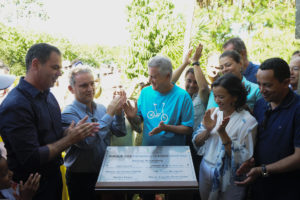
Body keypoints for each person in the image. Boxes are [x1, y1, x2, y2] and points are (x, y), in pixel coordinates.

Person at [0, 43, 99, 200]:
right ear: (36, 64)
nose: (60, 73)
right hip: (31, 190)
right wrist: (70, 139)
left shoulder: (48, 95)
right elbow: (31, 157)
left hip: (53, 182)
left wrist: (69, 132)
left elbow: (51, 134)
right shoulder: (16, 104)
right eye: (55, 67)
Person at [235, 58, 300, 200]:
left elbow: (298, 157)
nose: (262, 90)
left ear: (286, 83)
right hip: (259, 188)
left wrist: (263, 170)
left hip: (287, 190)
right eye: (259, 84)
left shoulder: (297, 109)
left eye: (268, 85)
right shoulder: (260, 104)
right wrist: (252, 162)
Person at [61, 65, 127, 200]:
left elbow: (120, 131)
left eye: (92, 84)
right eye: (84, 85)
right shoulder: (69, 114)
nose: (90, 89)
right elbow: (88, 143)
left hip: (106, 174)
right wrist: (109, 114)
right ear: (71, 89)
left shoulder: (101, 108)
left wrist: (119, 112)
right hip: (81, 178)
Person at [192, 73, 257, 200]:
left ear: (235, 97)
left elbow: (243, 157)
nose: (216, 101)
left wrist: (222, 133)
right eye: (215, 96)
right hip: (206, 169)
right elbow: (197, 142)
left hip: (231, 178)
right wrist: (208, 130)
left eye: (221, 97)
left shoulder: (248, 121)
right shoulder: (213, 113)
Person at [124, 55, 194, 146]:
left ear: (167, 76)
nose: (149, 80)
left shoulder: (183, 97)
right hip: (148, 151)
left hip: (174, 154)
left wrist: (166, 128)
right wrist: (132, 117)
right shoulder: (145, 93)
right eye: (149, 76)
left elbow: (188, 129)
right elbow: (139, 120)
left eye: (154, 77)